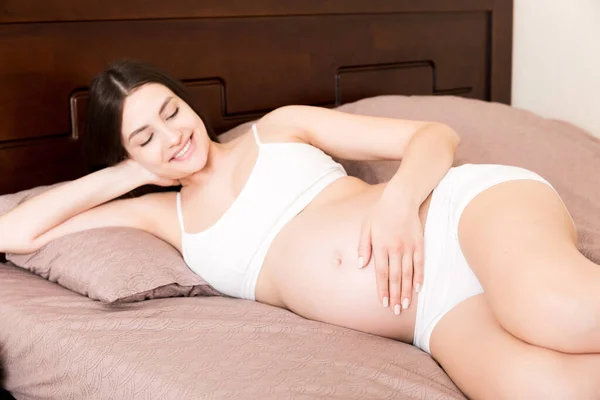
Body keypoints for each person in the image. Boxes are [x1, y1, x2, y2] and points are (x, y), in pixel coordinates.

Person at [1, 60, 598, 399]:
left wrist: (395, 205)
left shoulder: (278, 130)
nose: (172, 135)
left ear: (188, 102)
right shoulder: (163, 217)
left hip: (454, 217)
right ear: (127, 158)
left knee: (553, 311)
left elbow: (434, 137)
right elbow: (16, 232)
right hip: (429, 316)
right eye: (144, 135)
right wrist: (129, 172)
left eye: (170, 111)